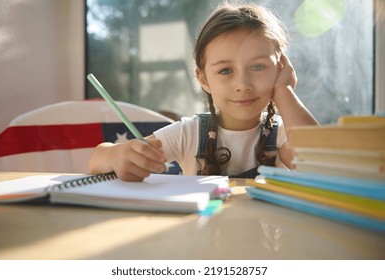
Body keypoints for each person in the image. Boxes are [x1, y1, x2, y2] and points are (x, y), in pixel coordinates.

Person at [89, 3, 319, 181]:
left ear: (280, 69)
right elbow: (97, 159)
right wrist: (119, 156)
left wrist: (284, 91)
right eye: (226, 70)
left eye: (258, 67)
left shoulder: (283, 135)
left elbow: (318, 162)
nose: (243, 84)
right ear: (203, 79)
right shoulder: (189, 133)